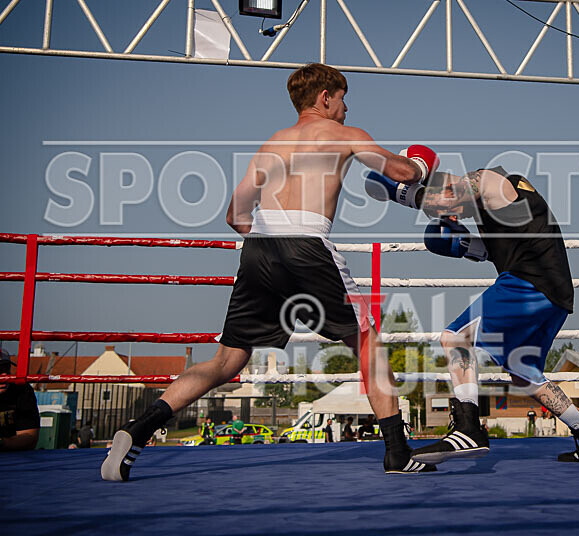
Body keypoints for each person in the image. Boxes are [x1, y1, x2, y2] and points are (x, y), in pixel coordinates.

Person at [102, 63, 439, 481]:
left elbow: (234, 214)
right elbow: (403, 173)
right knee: (369, 343)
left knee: (227, 360)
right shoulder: (343, 135)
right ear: (324, 97)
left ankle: (137, 431)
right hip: (308, 244)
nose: (347, 107)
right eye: (343, 97)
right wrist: (422, 163)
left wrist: (272, 234)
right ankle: (397, 453)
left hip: (259, 246)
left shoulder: (271, 145)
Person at [366, 167, 579, 464]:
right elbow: (494, 252)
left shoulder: (489, 180)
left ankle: (469, 427)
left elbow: (446, 200)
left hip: (528, 284)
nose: (453, 212)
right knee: (525, 374)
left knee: (456, 337)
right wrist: (463, 244)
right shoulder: (502, 211)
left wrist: (400, 192)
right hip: (554, 296)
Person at [0, 352, 40, 451]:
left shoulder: (21, 390)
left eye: (6, 368)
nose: (4, 375)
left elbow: (30, 438)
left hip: (14, 458)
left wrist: (3, 442)